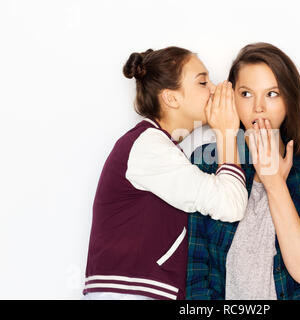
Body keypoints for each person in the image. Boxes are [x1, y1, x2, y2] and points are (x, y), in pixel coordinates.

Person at [83, 46, 248, 300]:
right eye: (203, 82)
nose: (214, 89)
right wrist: (227, 133)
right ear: (171, 98)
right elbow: (231, 204)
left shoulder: (159, 149)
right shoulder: (148, 147)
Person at [186, 42, 300, 300]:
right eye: (246, 93)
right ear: (232, 98)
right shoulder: (206, 163)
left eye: (272, 94)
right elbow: (197, 275)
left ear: (289, 100)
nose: (258, 107)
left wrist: (273, 182)